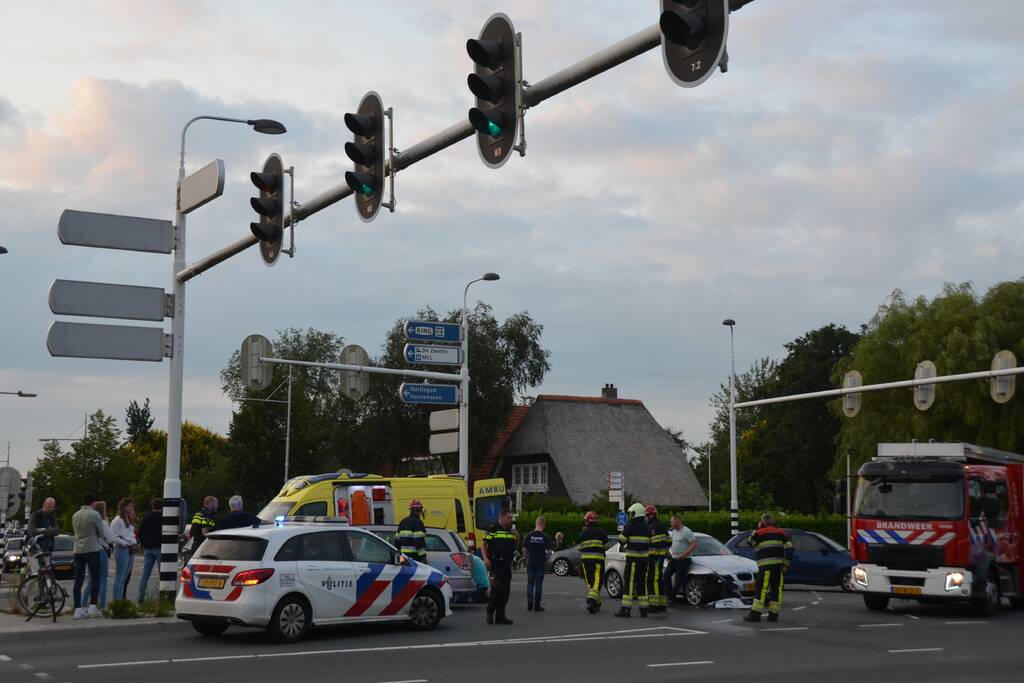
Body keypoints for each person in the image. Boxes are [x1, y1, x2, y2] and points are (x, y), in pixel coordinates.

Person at [744, 513, 794, 623]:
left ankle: (755, 615)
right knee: (777, 590)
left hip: (765, 567)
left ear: (763, 522)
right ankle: (773, 616)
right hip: (778, 567)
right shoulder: (782, 533)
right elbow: (790, 549)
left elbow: (749, 542)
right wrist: (785, 565)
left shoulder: (759, 532)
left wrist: (758, 528)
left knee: (761, 589)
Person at [615, 502, 651, 618]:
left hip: (633, 560)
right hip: (644, 560)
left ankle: (626, 609)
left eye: (631, 513)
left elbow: (621, 540)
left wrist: (623, 532)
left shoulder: (630, 527)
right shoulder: (647, 528)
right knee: (641, 583)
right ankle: (644, 609)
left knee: (629, 583)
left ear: (635, 514)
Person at [71, 494, 104, 619]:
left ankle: (78, 609)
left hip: (78, 549)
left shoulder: (75, 515)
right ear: (93, 503)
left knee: (78, 579)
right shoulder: (94, 514)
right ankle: (92, 607)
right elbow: (101, 532)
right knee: (95, 577)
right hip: (92, 548)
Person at [481, 508, 516, 625]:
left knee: (505, 591)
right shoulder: (492, 529)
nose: (510, 520)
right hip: (496, 565)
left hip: (506, 564)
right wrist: (485, 559)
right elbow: (483, 545)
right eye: (508, 518)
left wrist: (517, 536)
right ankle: (490, 613)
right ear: (501, 517)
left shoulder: (509, 530)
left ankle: (500, 615)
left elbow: (514, 546)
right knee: (496, 590)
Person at [81, 500, 114, 609]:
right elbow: (109, 538)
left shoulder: (91, 521)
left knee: (91, 580)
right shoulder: (103, 523)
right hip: (102, 550)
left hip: (91, 550)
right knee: (103, 580)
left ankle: (83, 603)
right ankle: (103, 605)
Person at [576, 510, 608, 614]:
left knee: (590, 582)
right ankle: (591, 601)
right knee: (597, 582)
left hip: (585, 561)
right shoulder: (602, 532)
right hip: (598, 562)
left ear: (587, 521)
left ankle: (596, 603)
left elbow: (580, 547)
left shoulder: (583, 533)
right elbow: (606, 546)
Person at [663, 513, 697, 604]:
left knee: (678, 579)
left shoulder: (686, 531)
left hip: (684, 559)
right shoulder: (674, 531)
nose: (671, 524)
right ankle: (669, 595)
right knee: (666, 575)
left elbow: (694, 544)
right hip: (674, 558)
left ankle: (671, 598)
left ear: (678, 521)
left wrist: (684, 554)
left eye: (672, 522)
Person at [522, 515, 552, 612]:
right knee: (538, 584)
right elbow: (549, 551)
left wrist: (526, 559)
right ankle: (537, 605)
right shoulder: (546, 536)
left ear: (536, 523)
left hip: (531, 562)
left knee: (530, 582)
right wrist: (545, 558)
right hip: (540, 563)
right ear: (543, 525)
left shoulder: (528, 535)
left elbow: (524, 549)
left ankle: (530, 602)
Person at [110, 498, 138, 601]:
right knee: (119, 577)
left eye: (132, 506)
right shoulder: (117, 520)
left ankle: (121, 599)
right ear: (124, 507)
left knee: (124, 578)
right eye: (130, 506)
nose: (132, 508)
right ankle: (116, 601)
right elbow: (112, 537)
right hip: (122, 549)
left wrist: (134, 542)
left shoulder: (129, 520)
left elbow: (131, 535)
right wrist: (125, 543)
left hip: (130, 550)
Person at [137, 498, 162, 603]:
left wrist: (144, 544)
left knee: (145, 574)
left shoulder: (146, 517)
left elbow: (140, 532)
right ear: (162, 507)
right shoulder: (164, 517)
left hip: (148, 548)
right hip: (160, 548)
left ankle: (141, 597)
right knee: (163, 574)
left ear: (152, 506)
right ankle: (163, 596)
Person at [645, 505, 669, 613]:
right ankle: (662, 604)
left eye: (647, 515)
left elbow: (648, 543)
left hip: (653, 557)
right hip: (661, 557)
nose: (646, 517)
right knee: (659, 580)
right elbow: (669, 541)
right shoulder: (662, 526)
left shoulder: (651, 527)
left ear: (651, 515)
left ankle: (654, 605)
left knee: (652, 580)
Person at [183, 496, 218, 561]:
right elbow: (205, 533)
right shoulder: (207, 515)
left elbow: (192, 530)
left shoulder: (198, 513)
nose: (217, 506)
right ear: (211, 503)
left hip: (191, 545)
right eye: (216, 504)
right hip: (199, 546)